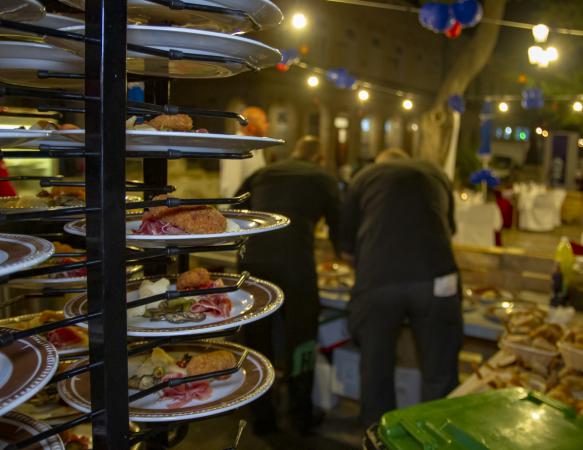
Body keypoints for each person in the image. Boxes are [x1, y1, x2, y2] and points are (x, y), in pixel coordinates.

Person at [340, 148, 462, 425]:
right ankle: (439, 436)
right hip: (437, 278)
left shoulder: (364, 177)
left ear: (381, 162)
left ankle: (379, 435)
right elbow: (449, 229)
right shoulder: (437, 174)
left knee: (376, 368)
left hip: (379, 279)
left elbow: (346, 248)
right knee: (440, 370)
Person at [236, 136, 341, 434]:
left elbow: (236, 210)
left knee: (258, 341)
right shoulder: (323, 178)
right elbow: (340, 229)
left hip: (252, 262)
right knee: (301, 341)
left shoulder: (263, 173)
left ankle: (261, 419)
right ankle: (299, 417)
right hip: (296, 265)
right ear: (318, 157)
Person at [220, 106, 269, 198]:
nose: (267, 126)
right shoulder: (235, 146)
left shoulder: (256, 145)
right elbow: (232, 185)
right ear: (251, 127)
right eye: (264, 122)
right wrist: (232, 211)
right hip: (238, 208)